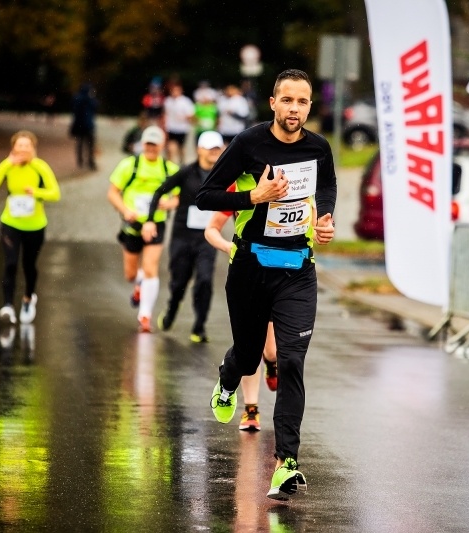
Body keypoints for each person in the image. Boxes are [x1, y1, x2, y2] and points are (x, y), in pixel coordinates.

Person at [195, 69, 337, 500]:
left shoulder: (319, 147)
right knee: (249, 354)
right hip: (249, 269)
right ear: (273, 103)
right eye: (287, 100)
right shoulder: (250, 143)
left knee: (291, 360)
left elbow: (327, 186)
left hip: (297, 271)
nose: (295, 109)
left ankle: (286, 463)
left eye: (303, 102)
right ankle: (227, 377)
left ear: (310, 106)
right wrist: (253, 198)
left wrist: (326, 219)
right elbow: (205, 196)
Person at [141, 130, 223, 343]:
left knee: (204, 280)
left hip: (208, 238)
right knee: (179, 282)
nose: (214, 152)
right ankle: (172, 308)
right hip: (182, 237)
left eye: (218, 148)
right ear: (199, 150)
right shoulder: (186, 172)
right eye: (210, 148)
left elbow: (235, 204)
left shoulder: (225, 175)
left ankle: (199, 326)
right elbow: (159, 192)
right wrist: (150, 219)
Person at [204, 209, 279, 432]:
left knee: (272, 351)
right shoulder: (240, 184)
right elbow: (211, 229)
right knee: (249, 350)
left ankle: (272, 364)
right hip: (249, 272)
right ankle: (251, 408)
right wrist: (228, 246)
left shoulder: (288, 181)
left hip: (280, 274)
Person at [107, 125, 180, 332]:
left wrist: (171, 203)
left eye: (155, 145)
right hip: (132, 223)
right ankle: (138, 284)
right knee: (130, 274)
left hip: (156, 223)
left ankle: (145, 315)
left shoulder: (169, 169)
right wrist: (124, 209)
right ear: (142, 144)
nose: (150, 148)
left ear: (161, 146)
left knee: (150, 267)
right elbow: (112, 192)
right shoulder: (129, 165)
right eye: (148, 144)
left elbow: (180, 196)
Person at [0, 130, 61, 325]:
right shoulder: (8, 166)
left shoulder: (40, 167)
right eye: (20, 146)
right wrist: (5, 164)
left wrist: (35, 192)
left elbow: (55, 193)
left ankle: (28, 298)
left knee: (29, 265)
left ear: (34, 149)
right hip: (11, 223)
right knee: (10, 263)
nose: (24, 149)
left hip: (35, 226)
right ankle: (8, 306)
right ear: (13, 148)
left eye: (27, 146)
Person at [163, 83, 195, 164]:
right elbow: (165, 114)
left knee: (181, 149)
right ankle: (170, 166)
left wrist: (184, 117)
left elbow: (191, 115)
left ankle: (182, 164)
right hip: (171, 128)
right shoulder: (168, 101)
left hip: (182, 129)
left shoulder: (185, 101)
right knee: (171, 149)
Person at [70, 82, 99, 170]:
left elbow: (73, 108)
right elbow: (95, 106)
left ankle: (80, 160)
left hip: (79, 124)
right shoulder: (89, 99)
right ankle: (90, 161)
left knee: (80, 143)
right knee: (90, 144)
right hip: (88, 125)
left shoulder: (77, 98)